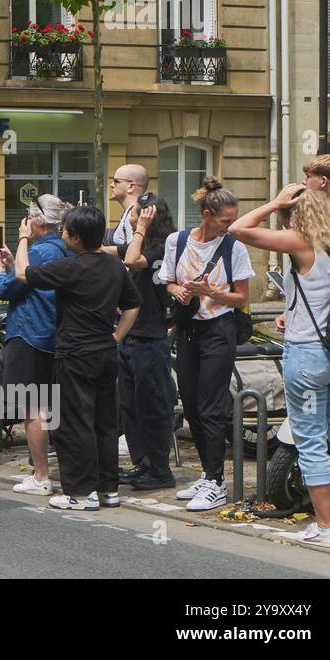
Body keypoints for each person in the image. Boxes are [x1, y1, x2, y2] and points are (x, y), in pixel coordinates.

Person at [229, 183, 330, 547]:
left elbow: (238, 229)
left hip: (308, 358)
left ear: (292, 215)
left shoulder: (301, 242)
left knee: (311, 441)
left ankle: (325, 527)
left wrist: (273, 202)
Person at [17, 205, 140, 510]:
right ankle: (108, 489)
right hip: (104, 351)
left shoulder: (72, 267)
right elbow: (133, 304)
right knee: (105, 422)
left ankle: (80, 493)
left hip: (75, 353)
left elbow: (22, 273)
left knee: (74, 424)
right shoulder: (114, 266)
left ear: (75, 237)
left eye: (65, 231)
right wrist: (116, 337)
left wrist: (22, 239)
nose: (62, 234)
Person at [159, 176, 252, 511]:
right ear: (208, 214)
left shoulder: (234, 246)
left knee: (211, 407)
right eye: (226, 220)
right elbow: (167, 281)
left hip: (219, 329)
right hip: (187, 330)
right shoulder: (178, 241)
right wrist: (179, 291)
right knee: (193, 406)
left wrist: (213, 293)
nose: (231, 226)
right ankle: (207, 473)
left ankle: (216, 481)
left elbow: (241, 297)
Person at [0, 194, 70, 494]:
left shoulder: (38, 251)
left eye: (28, 217)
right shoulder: (64, 248)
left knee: (32, 407)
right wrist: (16, 262)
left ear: (37, 221)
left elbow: (7, 288)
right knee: (52, 406)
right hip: (55, 334)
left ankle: (41, 476)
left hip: (29, 332)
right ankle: (58, 470)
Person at [115, 193, 179, 490]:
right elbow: (117, 252)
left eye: (139, 213)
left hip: (151, 338)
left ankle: (159, 469)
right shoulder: (144, 243)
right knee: (130, 406)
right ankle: (143, 463)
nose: (132, 216)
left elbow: (131, 259)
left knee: (152, 406)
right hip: (131, 336)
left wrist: (140, 226)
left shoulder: (163, 247)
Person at [108, 164, 149, 245]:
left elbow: (132, 249)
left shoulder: (134, 215)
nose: (111, 185)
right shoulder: (130, 212)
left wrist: (100, 249)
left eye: (116, 181)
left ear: (131, 187)